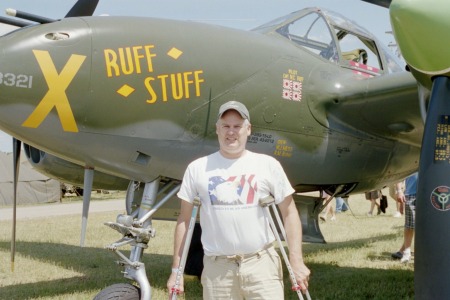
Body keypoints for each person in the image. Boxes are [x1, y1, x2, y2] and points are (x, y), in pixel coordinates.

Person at [167, 101, 310, 299]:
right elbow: (184, 220)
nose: (231, 132)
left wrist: (296, 261)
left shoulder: (267, 165)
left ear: (248, 129)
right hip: (218, 269)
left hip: (261, 265)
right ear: (217, 129)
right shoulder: (197, 168)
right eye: (226, 126)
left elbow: (289, 212)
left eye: (237, 126)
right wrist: (176, 271)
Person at [391, 172, 417, 263]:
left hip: (429, 192)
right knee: (410, 225)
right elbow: (399, 174)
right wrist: (399, 191)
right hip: (411, 194)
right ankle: (406, 253)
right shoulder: (410, 158)